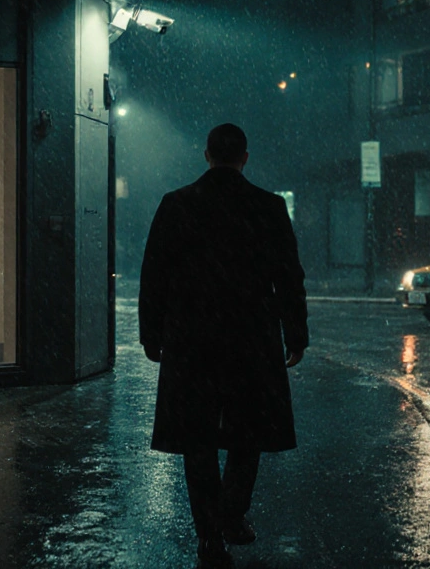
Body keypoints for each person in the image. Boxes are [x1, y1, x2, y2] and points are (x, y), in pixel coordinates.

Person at [139, 123, 309, 569]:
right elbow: (289, 277)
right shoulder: (268, 207)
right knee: (247, 431)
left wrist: (151, 334)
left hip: (192, 339)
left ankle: (209, 534)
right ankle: (231, 512)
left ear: (207, 155)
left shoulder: (176, 205)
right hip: (250, 338)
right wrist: (296, 334)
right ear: (244, 158)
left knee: (197, 438)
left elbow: (154, 276)